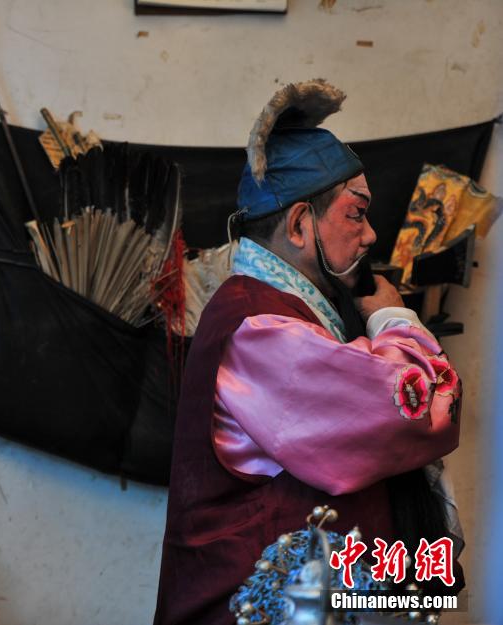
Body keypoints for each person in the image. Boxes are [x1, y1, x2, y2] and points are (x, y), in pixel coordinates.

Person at [153, 79, 462, 625]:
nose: (369, 236)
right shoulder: (260, 326)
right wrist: (392, 316)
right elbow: (409, 412)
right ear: (299, 223)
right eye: (355, 214)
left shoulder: (283, 310)